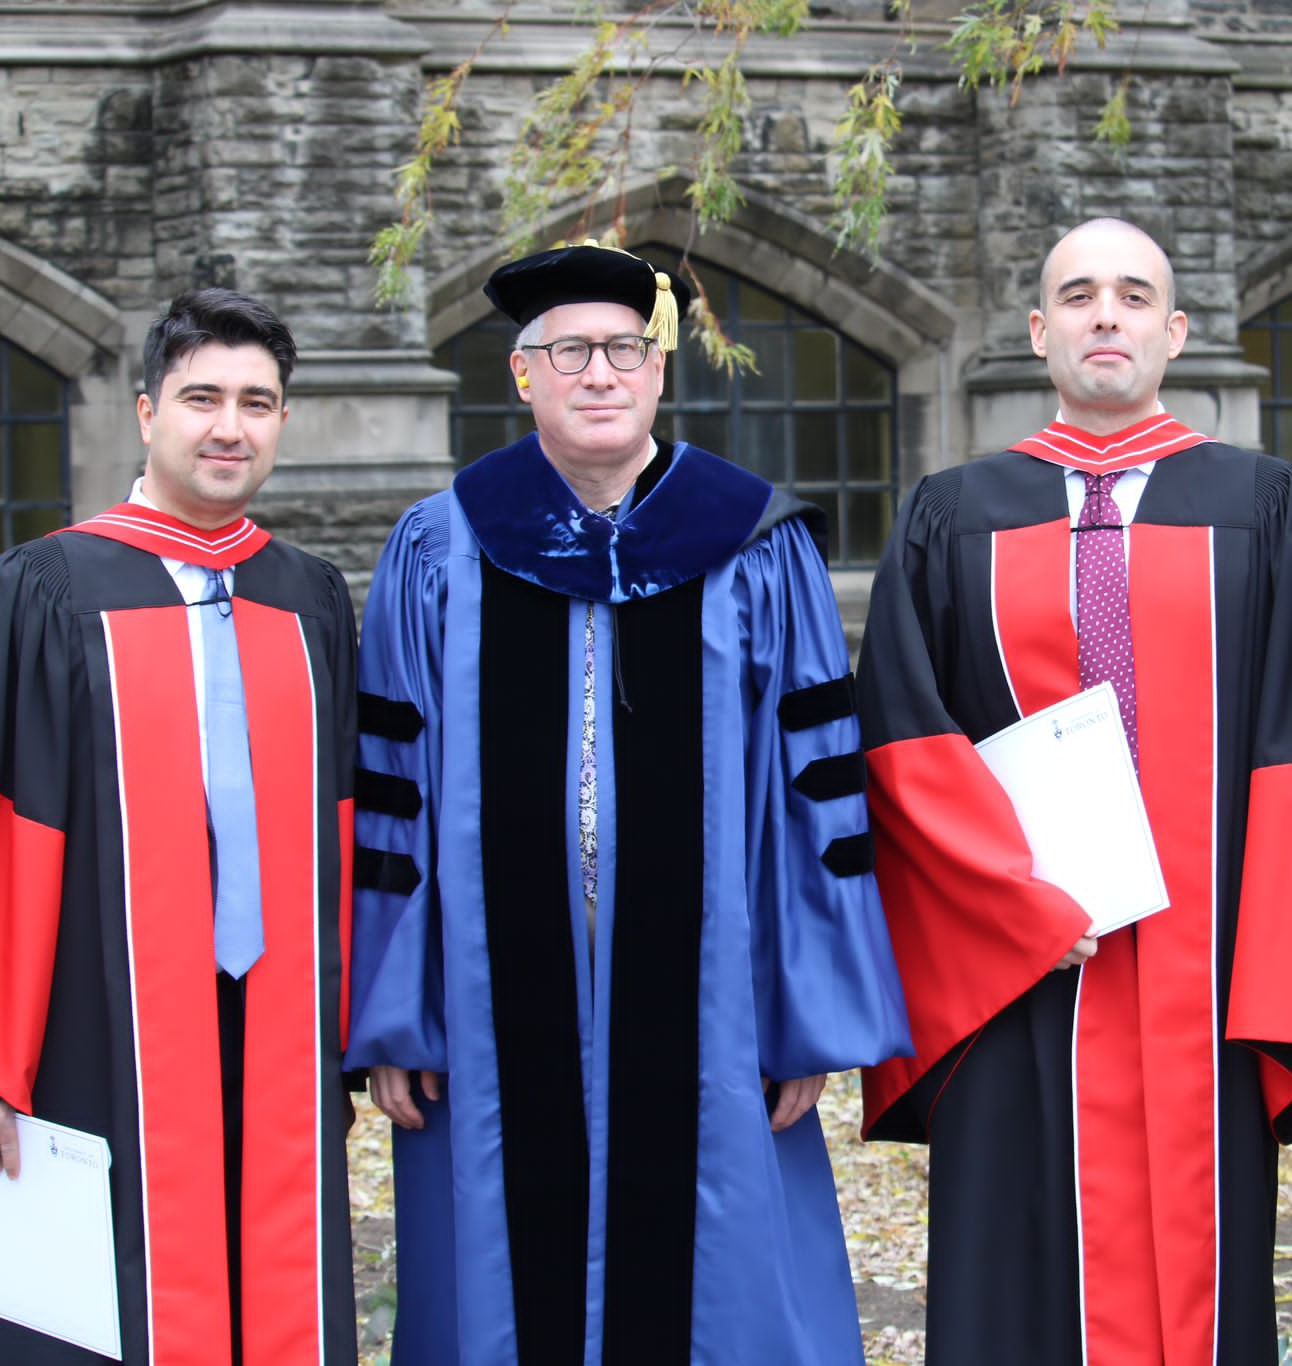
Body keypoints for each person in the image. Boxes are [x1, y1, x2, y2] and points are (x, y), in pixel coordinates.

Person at [345, 241, 910, 1366]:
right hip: (488, 1010)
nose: (596, 373)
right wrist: (397, 1012)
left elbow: (819, 802)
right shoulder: (439, 546)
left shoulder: (754, 544)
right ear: (523, 375)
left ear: (659, 370)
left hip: (719, 1014)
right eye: (568, 352)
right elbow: (389, 806)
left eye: (621, 349)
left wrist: (803, 1015)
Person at [856, 217, 1292, 1365]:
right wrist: (1009, 898)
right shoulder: (951, 515)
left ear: (1172, 333)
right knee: (1010, 1261)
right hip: (1013, 962)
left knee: (1202, 1264)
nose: (1104, 314)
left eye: (1133, 295)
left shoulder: (1266, 506)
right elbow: (899, 740)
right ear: (1038, 334)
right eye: (1077, 295)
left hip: (1209, 963)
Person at [0, 289, 360, 1363]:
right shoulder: (44, 588)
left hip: (271, 1027)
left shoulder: (308, 598)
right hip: (91, 1022)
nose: (229, 425)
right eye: (201, 398)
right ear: (147, 413)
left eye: (257, 401)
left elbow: (340, 829)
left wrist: (347, 1034)